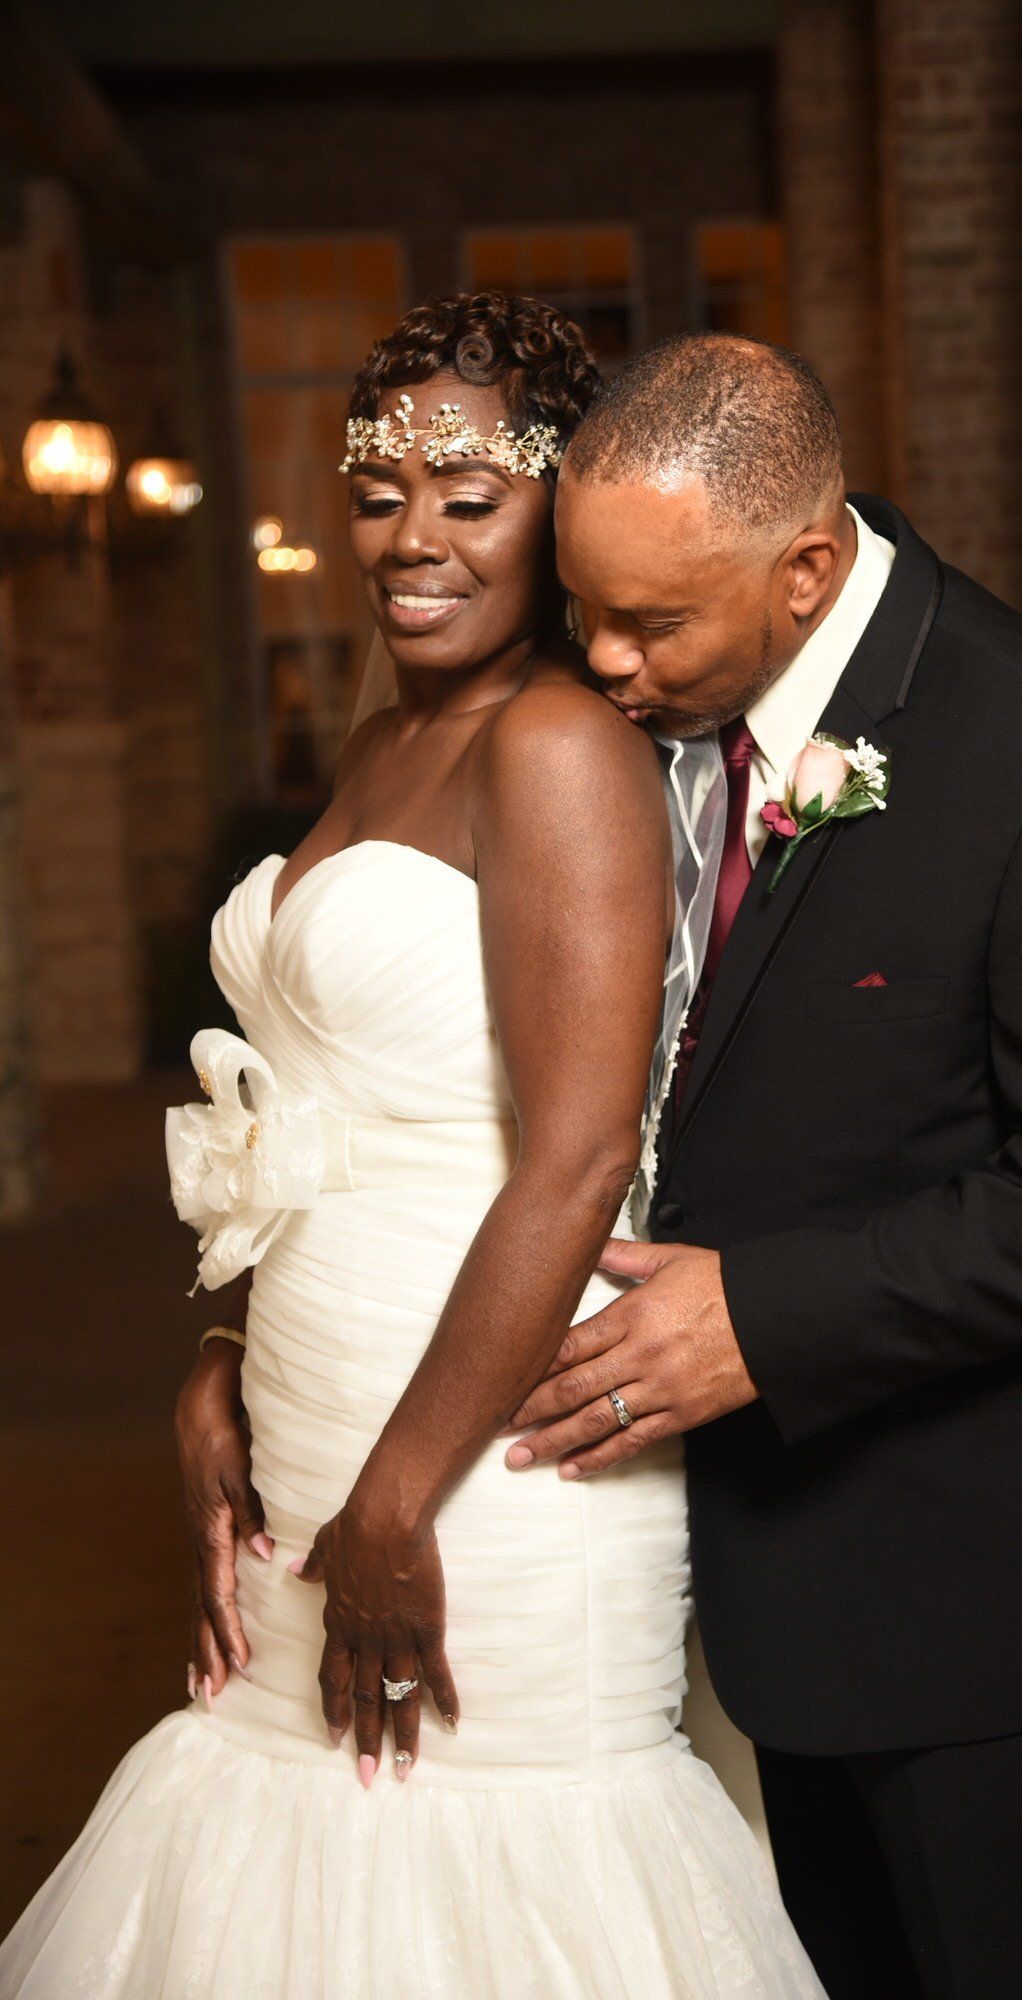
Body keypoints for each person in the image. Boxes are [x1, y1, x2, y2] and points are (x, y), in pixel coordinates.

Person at [0, 297, 824, 2000]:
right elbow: (328, 1102)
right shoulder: (383, 740)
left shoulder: (553, 746)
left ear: (560, 516)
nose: (412, 537)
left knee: (496, 1866)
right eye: (378, 489)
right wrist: (225, 1356)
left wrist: (394, 1500)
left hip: (483, 1451)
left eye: (472, 491)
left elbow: (580, 1157)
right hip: (323, 1386)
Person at [503, 331, 1022, 2000]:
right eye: (586, 611)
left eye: (651, 624)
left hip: (1004, 1566)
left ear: (809, 569)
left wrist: (764, 1317)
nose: (606, 664)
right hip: (798, 1568)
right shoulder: (664, 704)